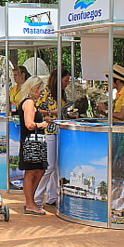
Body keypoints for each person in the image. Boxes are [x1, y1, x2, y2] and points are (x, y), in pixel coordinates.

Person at [34, 69, 71, 207]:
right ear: (58, 79)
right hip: (49, 132)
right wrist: (51, 112)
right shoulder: (46, 92)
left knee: (55, 167)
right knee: (49, 166)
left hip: (58, 131)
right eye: (65, 80)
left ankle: (51, 197)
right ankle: (37, 197)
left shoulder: (60, 93)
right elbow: (36, 109)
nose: (67, 83)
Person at [18, 76, 48, 215]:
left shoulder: (29, 102)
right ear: (35, 88)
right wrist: (41, 124)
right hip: (31, 143)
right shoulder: (29, 103)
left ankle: (31, 201)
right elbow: (29, 124)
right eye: (40, 90)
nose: (41, 93)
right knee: (31, 172)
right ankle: (29, 203)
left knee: (39, 170)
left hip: (34, 143)